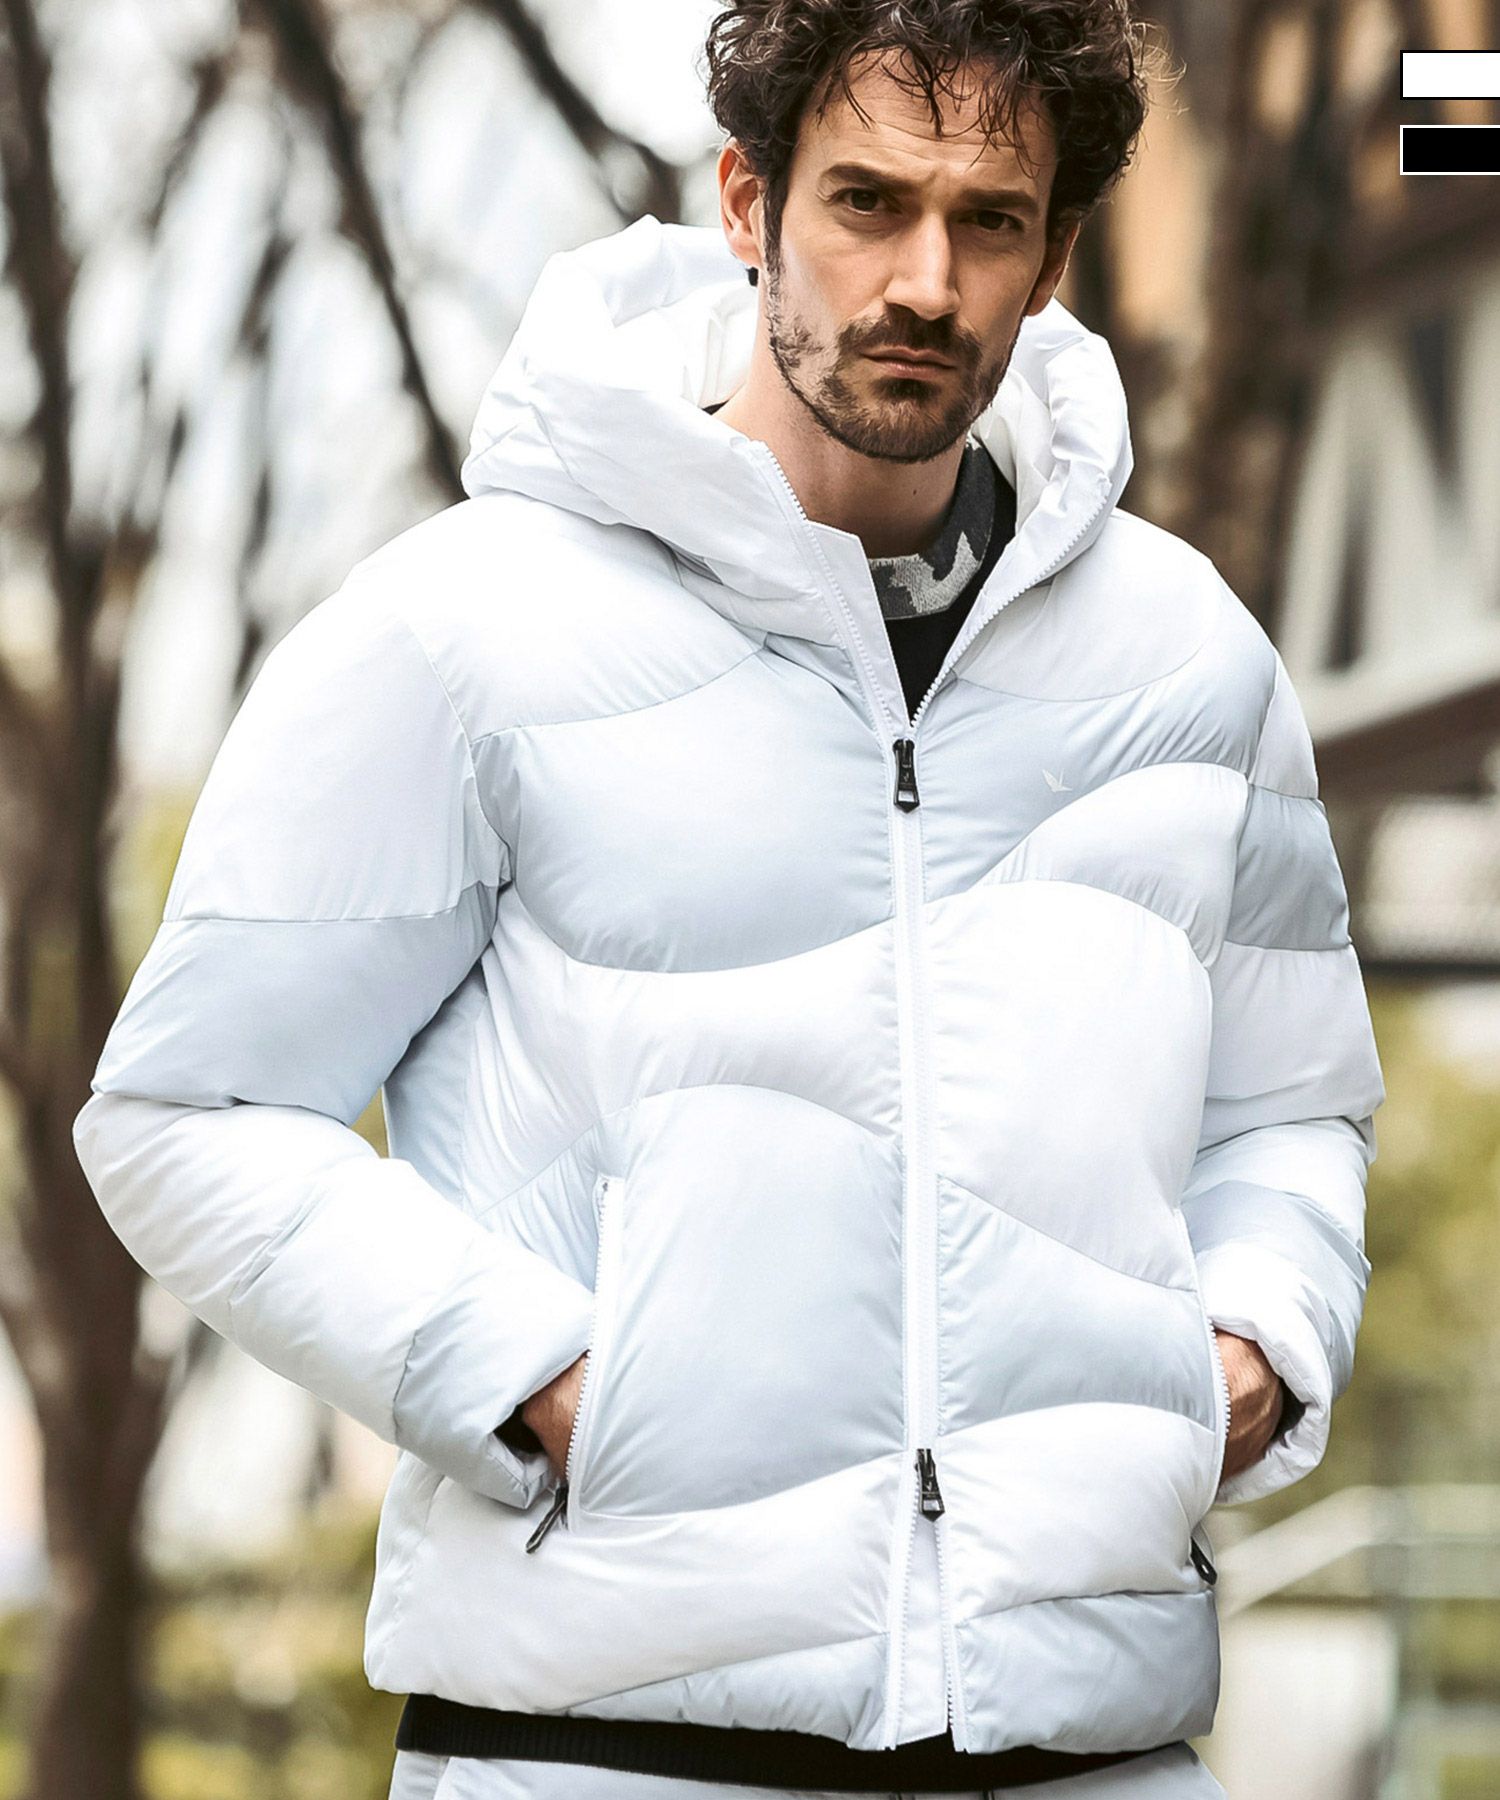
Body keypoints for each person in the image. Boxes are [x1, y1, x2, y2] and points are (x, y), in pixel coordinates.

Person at [72, 1, 1385, 1796]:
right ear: (750, 203)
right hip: (603, 1741)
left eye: (990, 221)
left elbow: (1293, 1105)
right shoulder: (464, 628)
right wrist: (544, 1383)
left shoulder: (1187, 660)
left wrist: (1256, 1346)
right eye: (868, 201)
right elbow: (189, 1110)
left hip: (1094, 1741)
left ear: (1057, 254)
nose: (924, 280)